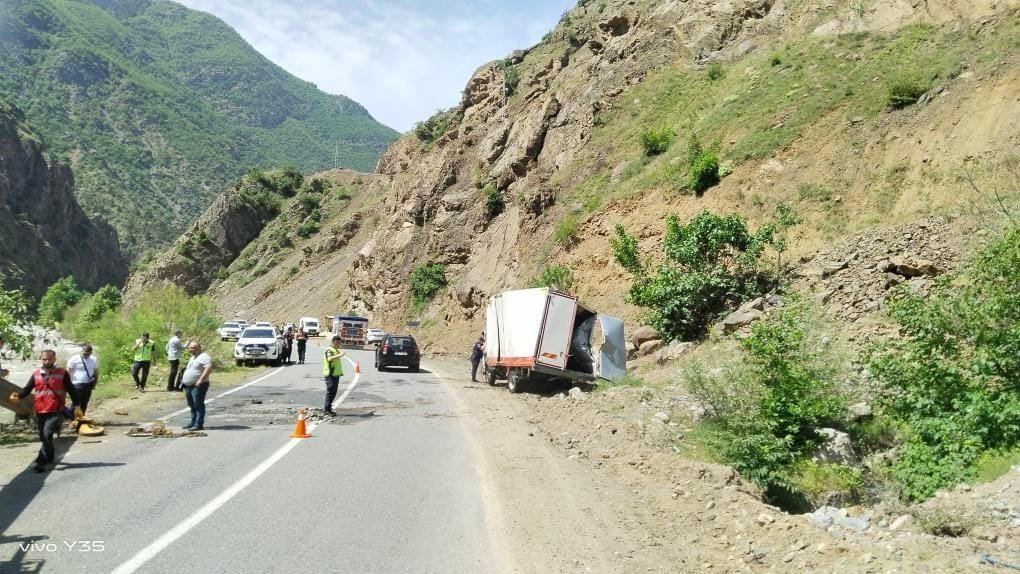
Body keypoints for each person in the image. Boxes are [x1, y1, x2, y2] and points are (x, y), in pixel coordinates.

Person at [10, 350, 80, 472]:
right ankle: (51, 455)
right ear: (41, 359)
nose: (47, 361)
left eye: (50, 359)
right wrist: (18, 396)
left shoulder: (62, 373)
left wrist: (77, 406)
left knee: (47, 434)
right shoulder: (36, 374)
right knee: (43, 436)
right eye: (44, 359)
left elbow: (71, 390)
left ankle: (40, 462)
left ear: (54, 359)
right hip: (40, 410)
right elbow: (27, 389)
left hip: (56, 410)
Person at [180, 341, 212, 431]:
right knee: (192, 405)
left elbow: (208, 368)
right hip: (188, 385)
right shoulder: (193, 357)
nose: (191, 349)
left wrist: (200, 380)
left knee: (198, 404)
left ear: (199, 348)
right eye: (190, 347)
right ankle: (193, 422)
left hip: (198, 385)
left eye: (193, 347)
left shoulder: (204, 357)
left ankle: (199, 424)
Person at [66, 343, 99, 415]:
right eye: (84, 354)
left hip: (88, 384)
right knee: (76, 403)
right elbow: (68, 373)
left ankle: (81, 419)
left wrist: (94, 384)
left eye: (88, 354)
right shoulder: (74, 359)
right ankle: (72, 420)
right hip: (76, 384)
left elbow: (96, 372)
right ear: (81, 351)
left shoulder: (94, 359)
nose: (86, 356)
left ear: (91, 353)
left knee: (84, 403)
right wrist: (68, 386)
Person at [322, 336, 346, 416]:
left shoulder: (335, 350)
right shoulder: (329, 350)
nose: (339, 344)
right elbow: (329, 359)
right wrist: (340, 355)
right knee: (330, 391)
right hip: (330, 374)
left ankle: (329, 408)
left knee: (334, 392)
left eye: (340, 342)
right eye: (338, 342)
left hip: (335, 374)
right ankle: (326, 409)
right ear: (334, 342)